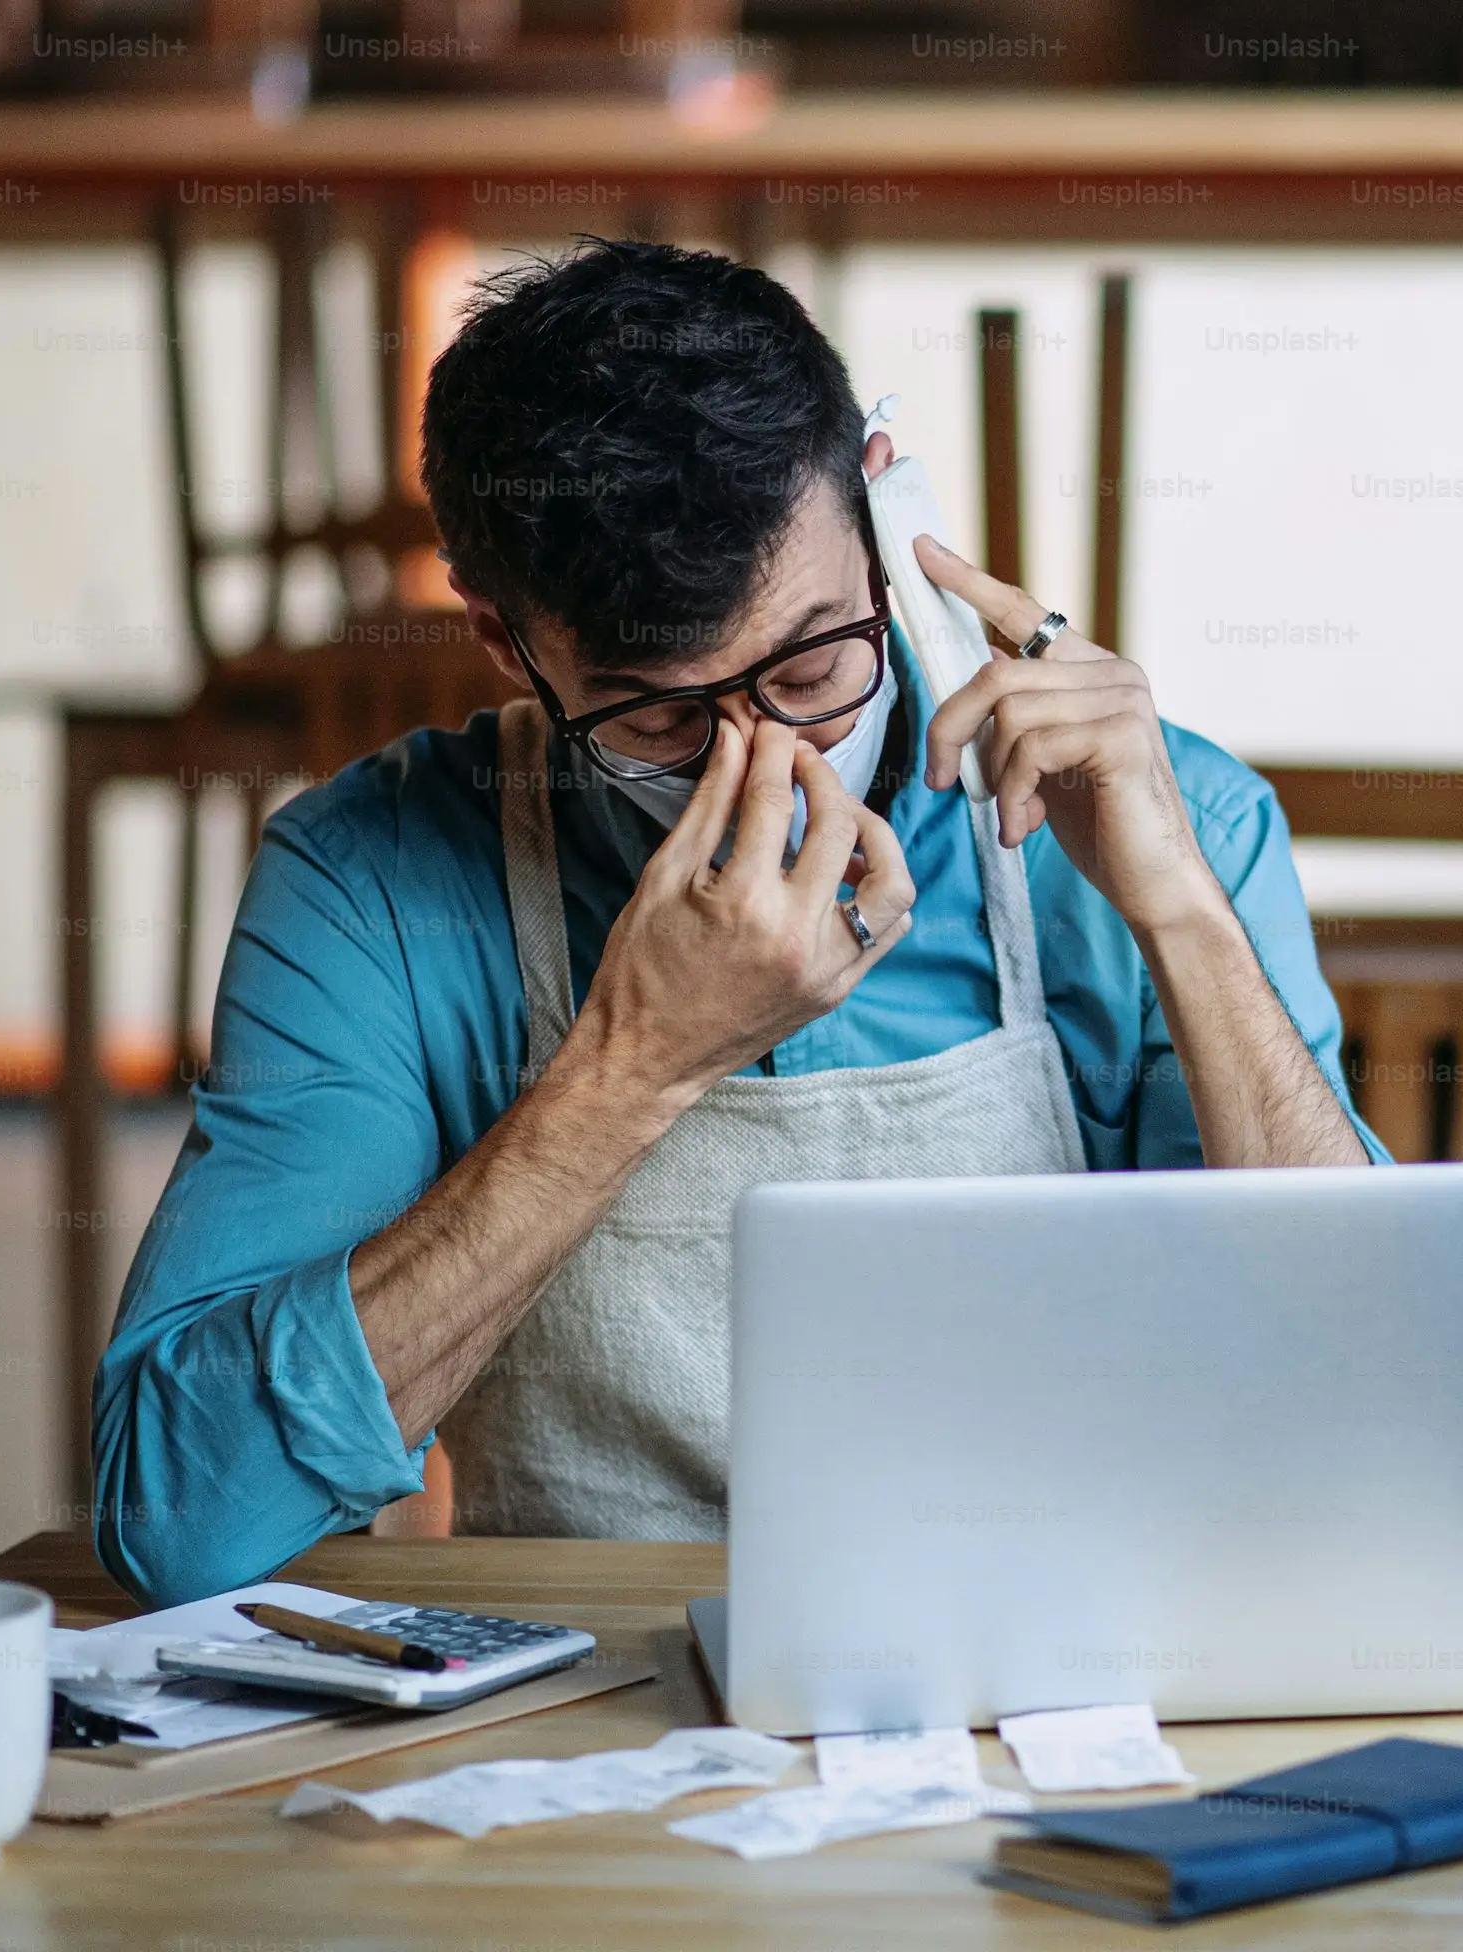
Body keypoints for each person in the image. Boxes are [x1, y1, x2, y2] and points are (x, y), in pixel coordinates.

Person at [92, 240, 1381, 1604]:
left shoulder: (1166, 824)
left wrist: (1182, 914)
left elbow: (1367, 1409)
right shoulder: (368, 883)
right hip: (593, 1720)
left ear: (887, 517)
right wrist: (627, 1073)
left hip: (1087, 1662)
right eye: (657, 716)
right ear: (499, 637)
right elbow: (177, 1519)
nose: (771, 769)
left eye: (815, 667)